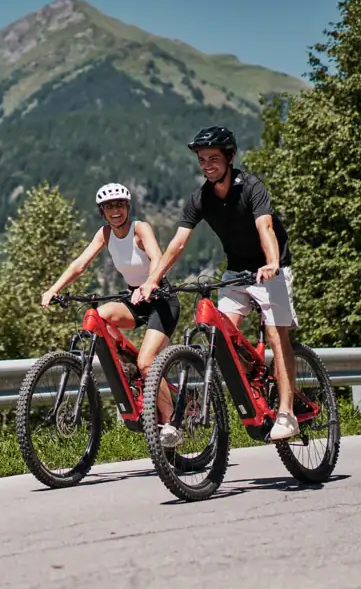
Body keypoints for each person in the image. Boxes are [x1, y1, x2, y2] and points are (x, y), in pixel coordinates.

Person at [137, 125, 301, 442]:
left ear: (229, 157)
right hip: (236, 272)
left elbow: (265, 227)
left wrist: (271, 262)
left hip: (271, 269)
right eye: (202, 159)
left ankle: (286, 412)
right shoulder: (201, 198)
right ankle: (255, 382)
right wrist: (152, 280)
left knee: (276, 334)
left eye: (213, 158)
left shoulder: (251, 187)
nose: (207, 164)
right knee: (222, 336)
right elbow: (177, 244)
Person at [40, 182, 184, 447]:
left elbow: (156, 257)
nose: (115, 211)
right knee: (97, 316)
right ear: (102, 212)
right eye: (109, 207)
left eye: (119, 205)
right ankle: (126, 363)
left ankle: (170, 422)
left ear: (127, 207)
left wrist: (150, 283)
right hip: (134, 298)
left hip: (160, 299)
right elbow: (80, 264)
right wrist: (53, 289)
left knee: (147, 363)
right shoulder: (105, 234)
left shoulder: (140, 229)